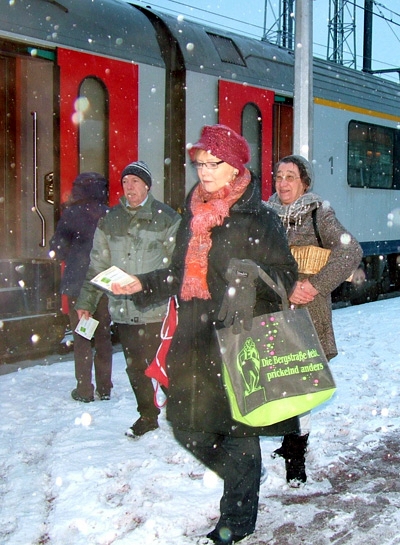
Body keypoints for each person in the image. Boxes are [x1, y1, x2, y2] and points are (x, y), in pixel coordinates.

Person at [110, 125, 299, 544]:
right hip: (194, 336)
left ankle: (236, 519)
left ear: (235, 167)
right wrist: (140, 284)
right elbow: (179, 274)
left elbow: (286, 276)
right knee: (186, 427)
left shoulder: (260, 217)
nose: (205, 172)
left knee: (237, 430)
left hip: (239, 335)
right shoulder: (193, 214)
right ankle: (244, 478)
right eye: (200, 164)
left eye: (214, 164)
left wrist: (254, 278)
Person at [267, 155, 363, 487]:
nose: (283, 183)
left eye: (290, 176)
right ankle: (288, 441)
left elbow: (351, 252)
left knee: (300, 383)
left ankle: (296, 455)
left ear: (305, 182)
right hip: (273, 307)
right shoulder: (267, 215)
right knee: (280, 378)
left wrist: (314, 285)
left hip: (307, 310)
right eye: (279, 176)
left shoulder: (317, 212)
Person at [75, 161, 181, 437]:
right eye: (125, 182)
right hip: (124, 310)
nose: (129, 187)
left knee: (165, 365)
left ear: (147, 185)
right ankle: (147, 415)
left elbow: (177, 268)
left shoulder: (167, 218)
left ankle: (183, 415)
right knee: (136, 368)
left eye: (135, 181)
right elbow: (97, 266)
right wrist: (86, 303)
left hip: (157, 309)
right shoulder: (110, 220)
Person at [49, 172, 113, 403]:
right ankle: (105, 388)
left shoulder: (72, 213)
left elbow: (58, 248)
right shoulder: (109, 214)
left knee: (82, 337)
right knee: (103, 337)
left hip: (78, 285)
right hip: (103, 284)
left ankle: (84, 389)